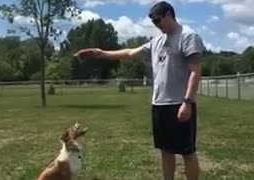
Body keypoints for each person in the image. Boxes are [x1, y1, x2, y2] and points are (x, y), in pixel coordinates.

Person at [74, 1, 205, 180]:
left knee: (187, 151)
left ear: (168, 14)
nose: (156, 25)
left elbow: (195, 71)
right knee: (165, 150)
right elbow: (129, 53)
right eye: (153, 22)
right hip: (159, 104)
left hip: (179, 103)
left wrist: (187, 102)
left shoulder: (188, 36)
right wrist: (101, 53)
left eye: (158, 21)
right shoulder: (156, 41)